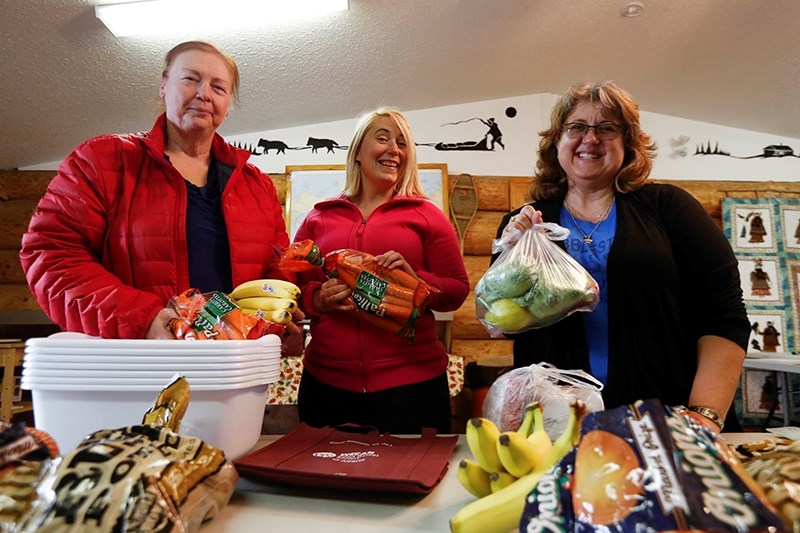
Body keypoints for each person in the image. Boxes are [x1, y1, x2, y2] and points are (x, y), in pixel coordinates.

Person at [494, 81, 749, 433]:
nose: (590, 138)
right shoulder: (525, 224)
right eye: (577, 127)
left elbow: (724, 313)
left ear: (628, 144)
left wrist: (705, 414)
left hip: (666, 416)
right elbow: (503, 325)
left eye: (607, 128)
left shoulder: (669, 208)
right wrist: (515, 258)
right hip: (556, 421)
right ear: (557, 142)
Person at [20, 40, 304, 351]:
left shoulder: (258, 186)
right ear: (163, 86)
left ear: (227, 104)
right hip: (135, 366)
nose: (204, 94)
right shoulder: (101, 160)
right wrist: (146, 320)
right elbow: (51, 256)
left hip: (232, 369)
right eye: (190, 79)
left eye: (219, 88)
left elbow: (278, 270)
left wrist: (279, 322)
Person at [293, 107, 469, 434]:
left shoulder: (426, 215)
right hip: (326, 386)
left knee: (414, 481)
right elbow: (294, 290)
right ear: (358, 151)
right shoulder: (319, 217)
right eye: (383, 138)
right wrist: (319, 300)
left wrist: (418, 283)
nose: (394, 150)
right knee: (324, 483)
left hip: (413, 388)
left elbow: (457, 290)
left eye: (403, 143)